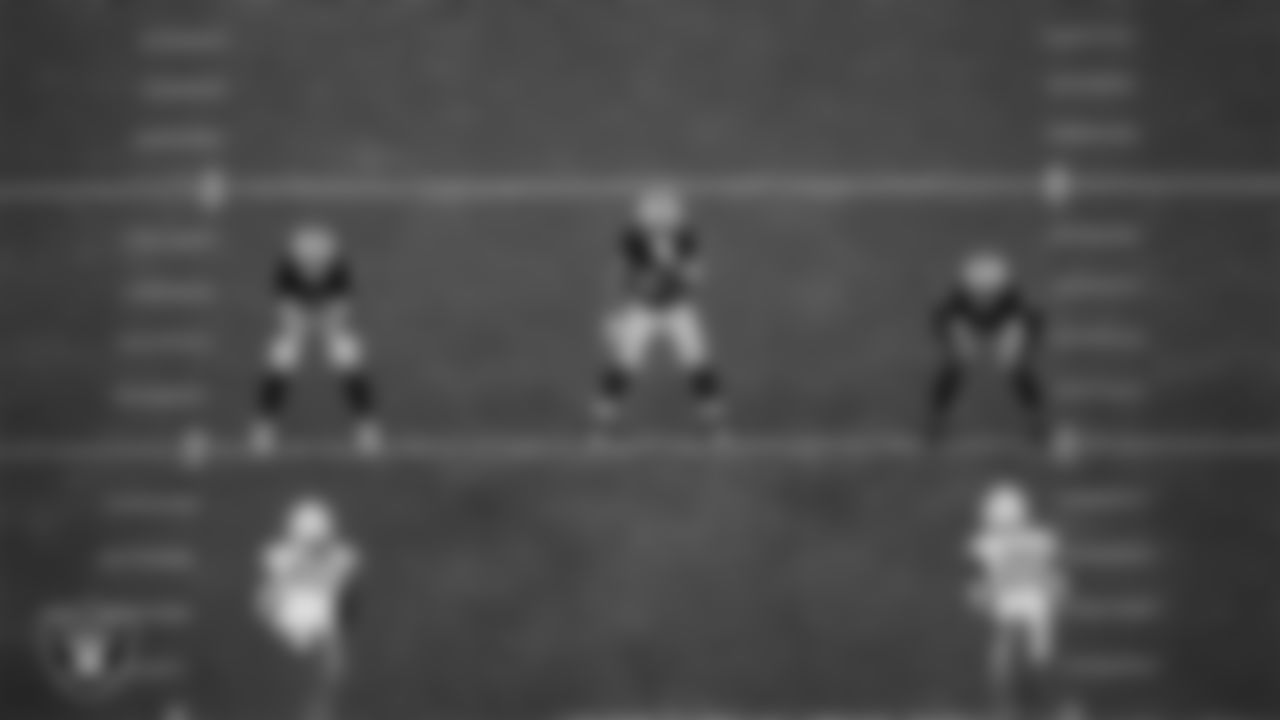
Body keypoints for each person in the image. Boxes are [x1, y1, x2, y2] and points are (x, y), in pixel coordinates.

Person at [592, 186, 727, 432]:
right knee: (623, 364)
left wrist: (672, 266)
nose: (660, 225)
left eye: (663, 220)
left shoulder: (684, 238)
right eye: (656, 220)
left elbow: (697, 276)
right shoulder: (634, 239)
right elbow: (619, 273)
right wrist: (612, 312)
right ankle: (603, 420)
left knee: (697, 361)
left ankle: (714, 420)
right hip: (642, 308)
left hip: (677, 307)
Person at [250, 223, 383, 457]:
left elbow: (340, 313)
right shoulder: (287, 271)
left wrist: (323, 328)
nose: (313, 266)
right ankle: (265, 425)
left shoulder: (338, 271)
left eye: (318, 261)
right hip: (299, 315)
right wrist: (302, 328)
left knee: (347, 357)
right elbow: (286, 313)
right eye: (308, 261)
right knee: (282, 358)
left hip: (326, 316)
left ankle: (366, 425)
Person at [926, 249, 1052, 444]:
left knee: (1014, 366)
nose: (984, 297)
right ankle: (937, 417)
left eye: (990, 292)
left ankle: (1036, 418)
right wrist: (951, 341)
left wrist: (1025, 343)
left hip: (1003, 323)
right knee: (956, 364)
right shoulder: (958, 303)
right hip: (969, 322)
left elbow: (1032, 321)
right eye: (978, 291)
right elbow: (941, 319)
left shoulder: (1012, 304)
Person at [255, 496, 361, 720]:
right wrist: (277, 621)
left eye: (318, 540)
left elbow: (346, 603)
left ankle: (320, 705)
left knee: (330, 661)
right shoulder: (279, 560)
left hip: (320, 629)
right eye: (307, 541)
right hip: (289, 628)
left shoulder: (341, 560)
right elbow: (265, 603)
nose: (312, 547)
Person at [968, 480, 1068, 717]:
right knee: (1006, 661)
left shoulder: (1040, 541)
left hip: (1033, 617)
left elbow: (1053, 581)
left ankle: (1044, 706)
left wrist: (1052, 589)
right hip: (1011, 617)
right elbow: (983, 589)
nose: (1004, 524)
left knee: (1034, 660)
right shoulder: (986, 545)